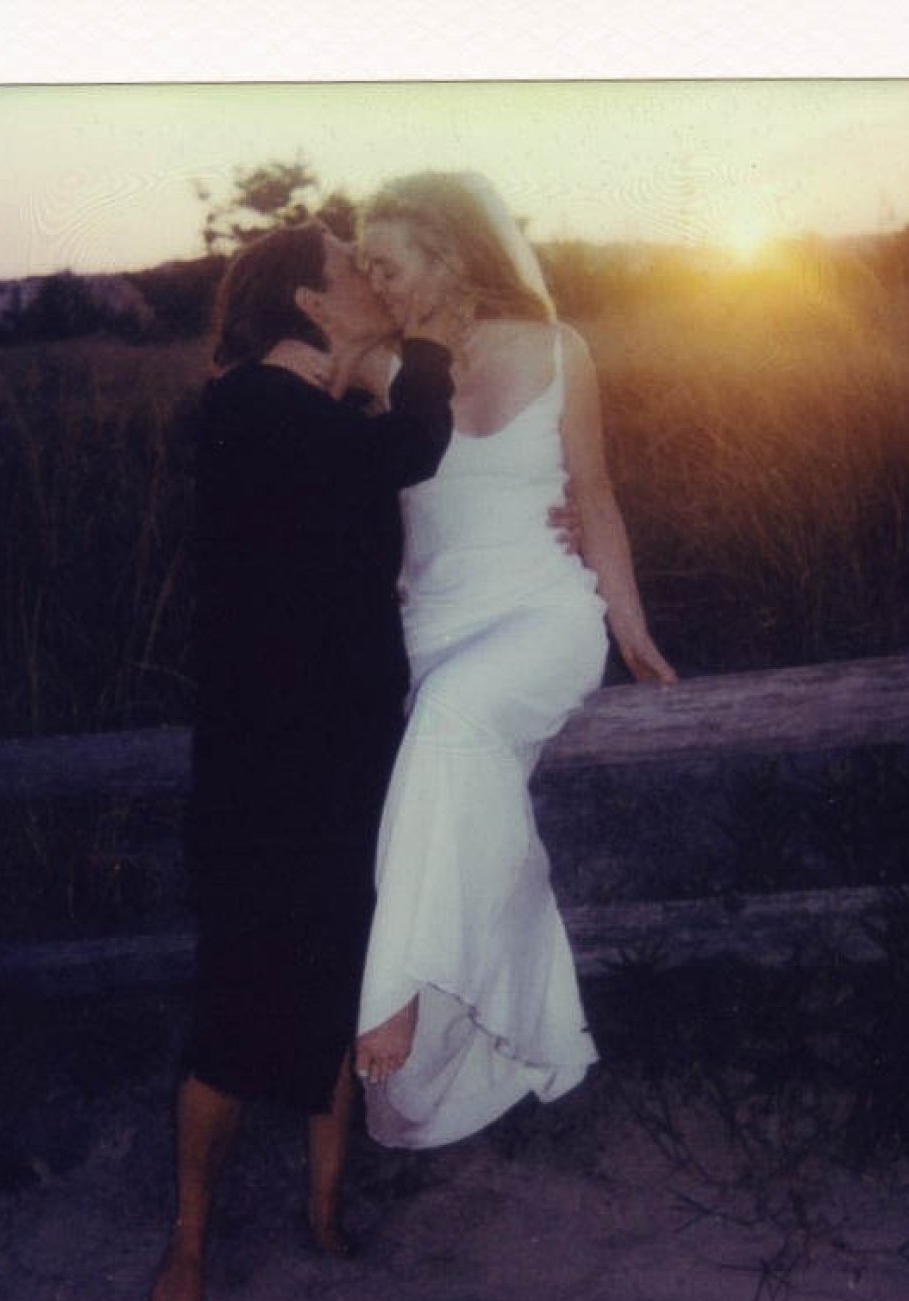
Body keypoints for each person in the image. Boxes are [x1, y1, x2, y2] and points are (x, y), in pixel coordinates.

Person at [149, 220, 462, 1301]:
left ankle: (324, 1213)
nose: (371, 284)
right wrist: (421, 341)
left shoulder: (319, 415)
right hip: (263, 776)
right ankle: (186, 1244)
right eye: (352, 274)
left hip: (345, 756)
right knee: (238, 1014)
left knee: (339, 981)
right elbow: (407, 451)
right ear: (312, 306)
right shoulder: (247, 410)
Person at [353, 172, 678, 1149]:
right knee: (453, 789)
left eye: (387, 261)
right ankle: (449, 1076)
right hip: (428, 627)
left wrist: (631, 633)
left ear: (450, 257)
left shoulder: (558, 350)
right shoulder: (380, 366)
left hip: (543, 614)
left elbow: (598, 496)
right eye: (362, 264)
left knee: (449, 716)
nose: (373, 280)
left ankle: (391, 993)